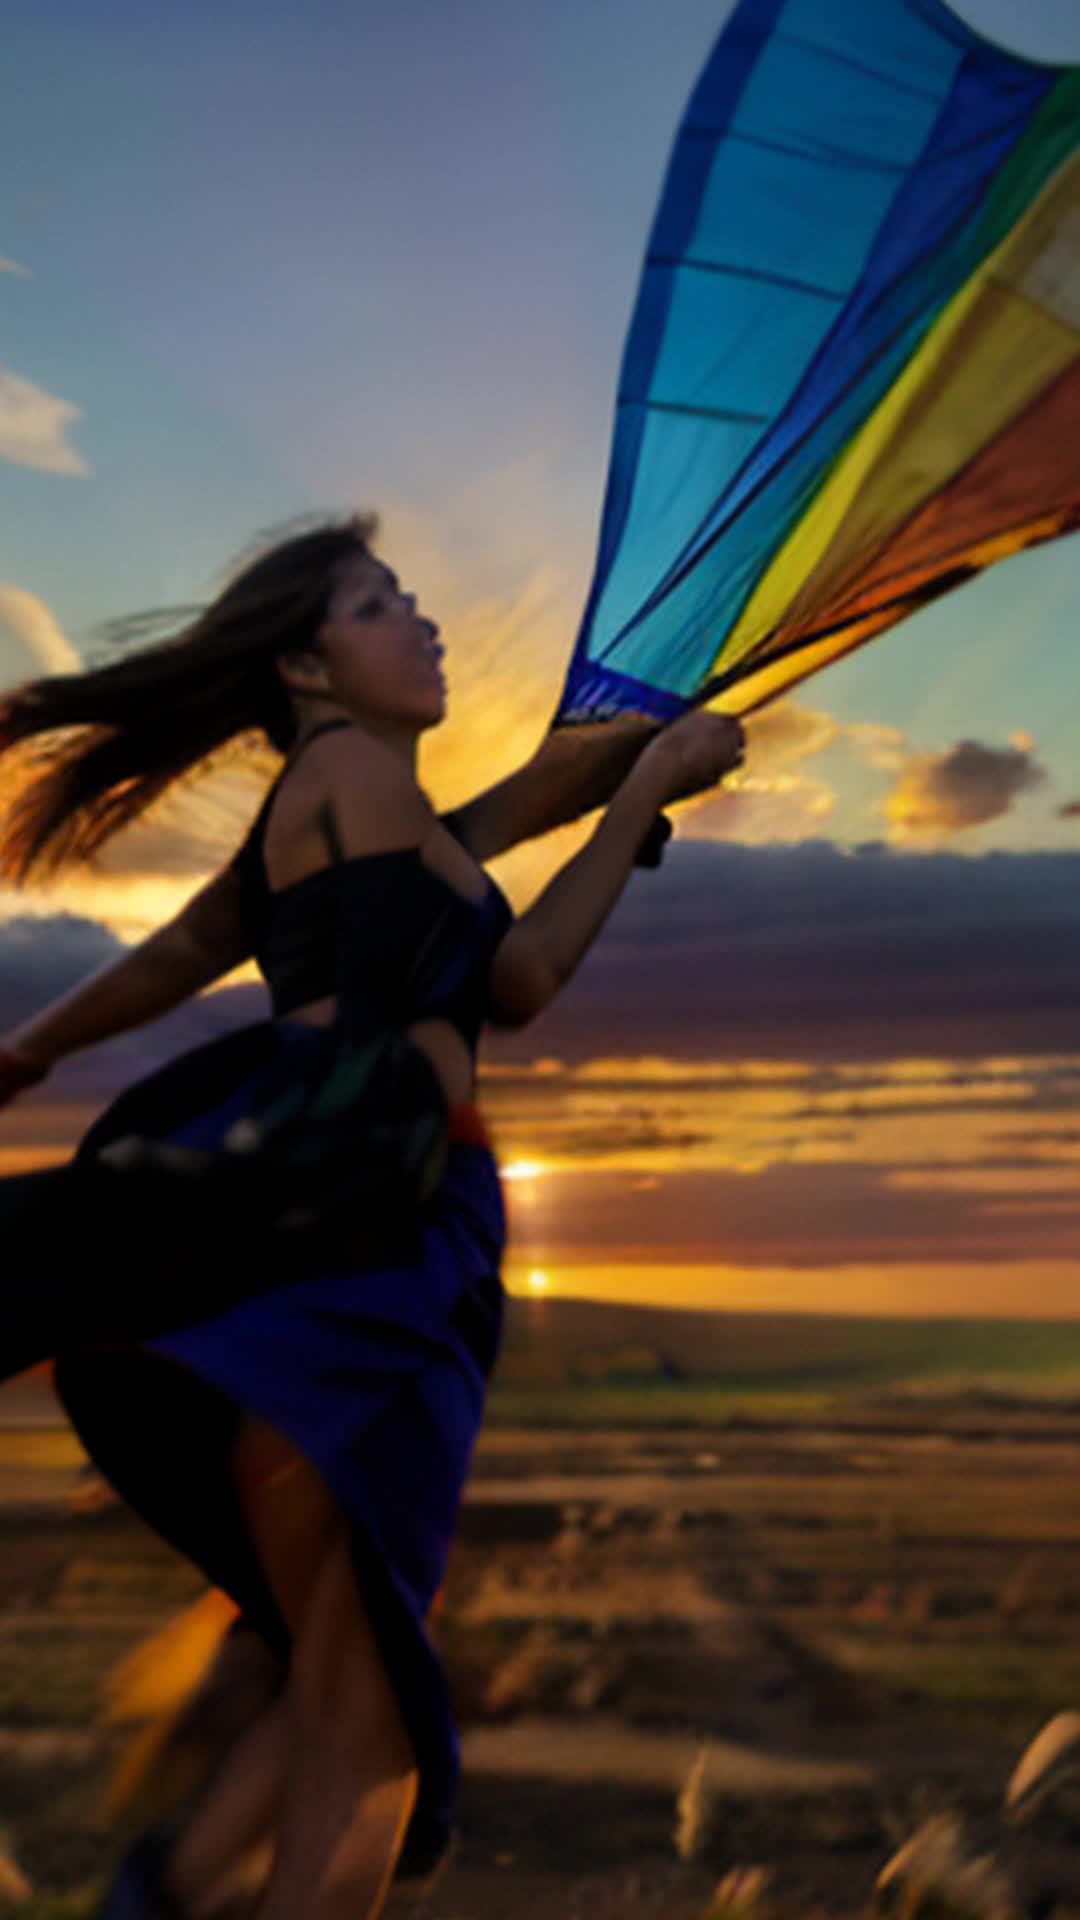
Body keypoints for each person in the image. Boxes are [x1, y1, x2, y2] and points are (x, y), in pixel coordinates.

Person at [0, 511, 745, 1920]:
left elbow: (200, 949)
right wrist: (641, 789)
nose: (424, 618)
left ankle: (156, 1896)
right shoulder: (351, 774)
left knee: (343, 1666)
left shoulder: (342, 806)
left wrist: (24, 1050)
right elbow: (507, 971)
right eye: (378, 603)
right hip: (384, 1219)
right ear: (308, 670)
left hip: (332, 1206)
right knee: (368, 1714)